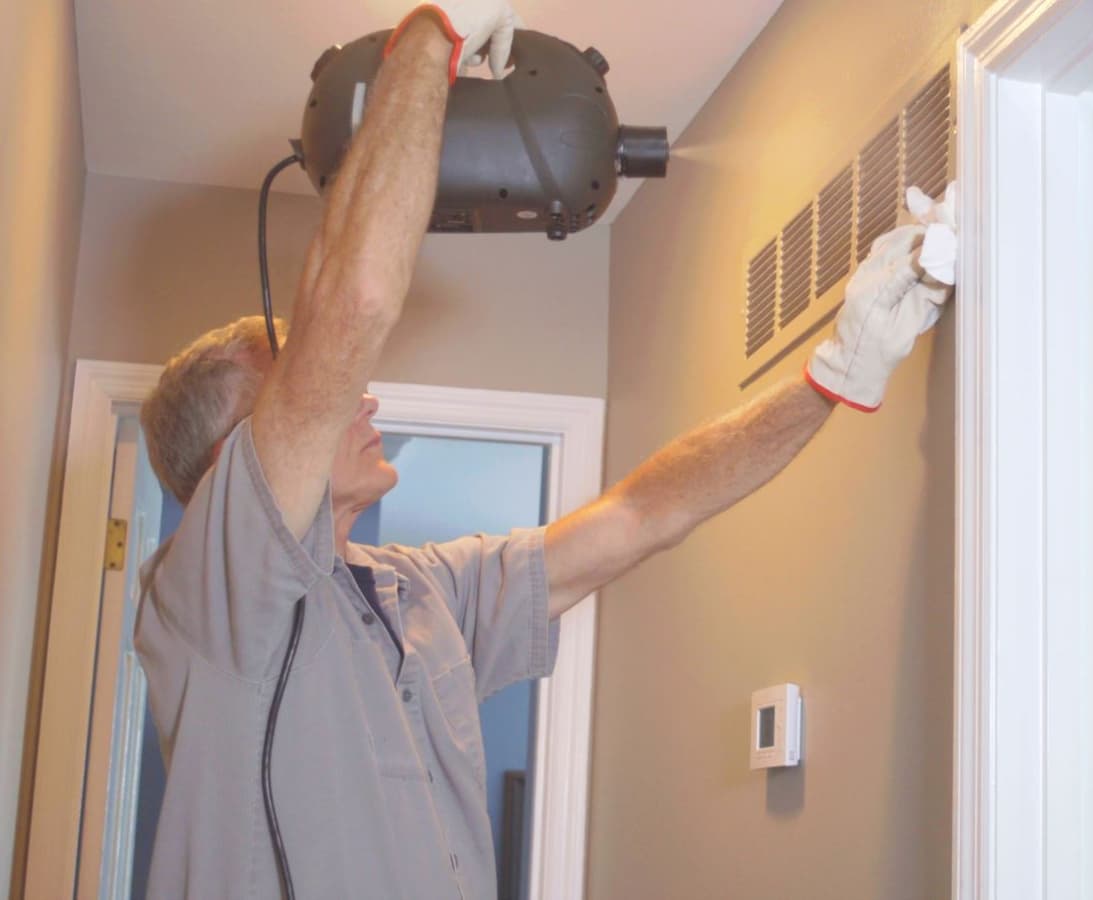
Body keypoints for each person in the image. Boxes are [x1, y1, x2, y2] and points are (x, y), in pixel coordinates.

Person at [132, 0, 954, 897]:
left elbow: (644, 513)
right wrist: (430, 33)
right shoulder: (212, 595)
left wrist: (834, 376)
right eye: (302, 394)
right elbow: (354, 304)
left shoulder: (416, 593)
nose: (356, 395)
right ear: (227, 471)